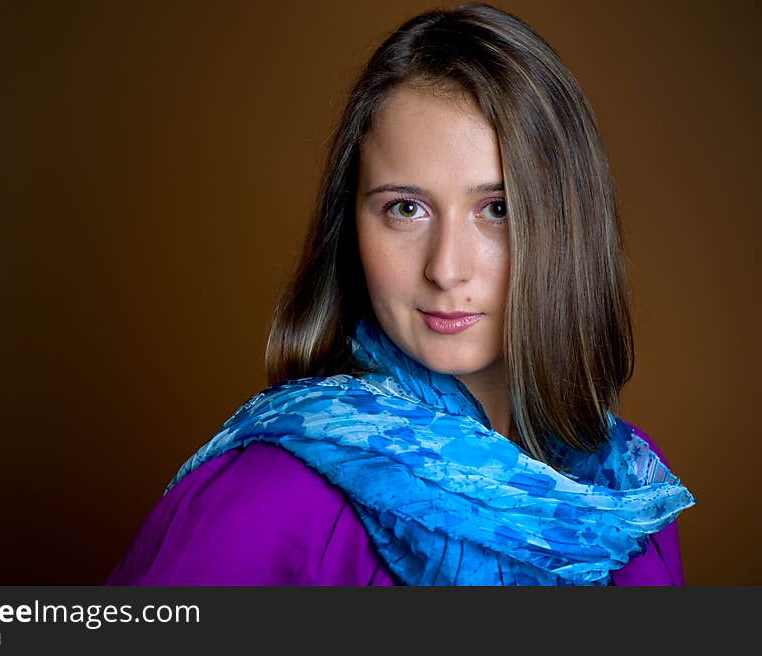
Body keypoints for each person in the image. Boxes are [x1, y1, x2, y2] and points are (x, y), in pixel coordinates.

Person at [107, 2, 695, 586]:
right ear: (353, 225)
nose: (445, 269)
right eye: (405, 209)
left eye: (498, 210)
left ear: (570, 227)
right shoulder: (269, 496)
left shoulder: (629, 494)